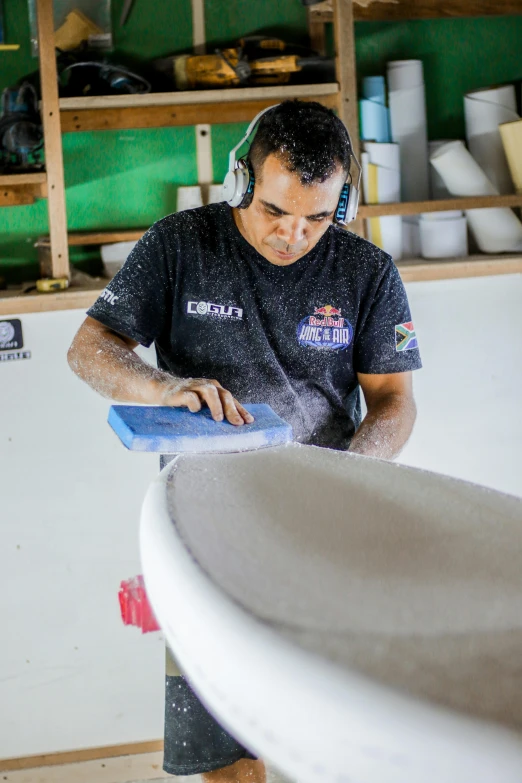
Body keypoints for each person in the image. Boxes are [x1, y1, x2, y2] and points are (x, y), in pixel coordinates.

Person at [68, 100, 422, 782]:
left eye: (317, 217)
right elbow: (88, 350)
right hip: (204, 528)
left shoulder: (366, 272)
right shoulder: (178, 246)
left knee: (326, 736)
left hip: (323, 524)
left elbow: (395, 403)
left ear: (342, 202)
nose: (293, 234)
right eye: (274, 210)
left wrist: (349, 472)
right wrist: (161, 387)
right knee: (227, 752)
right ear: (240, 182)